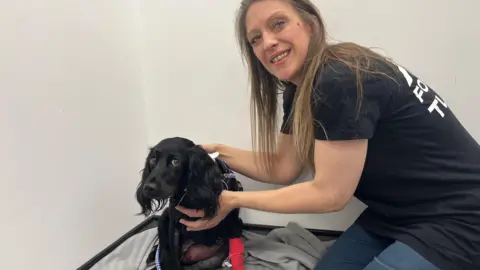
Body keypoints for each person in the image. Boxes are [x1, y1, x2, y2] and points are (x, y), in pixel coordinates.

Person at [175, 0, 480, 269]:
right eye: (255, 39)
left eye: (278, 23)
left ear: (309, 24)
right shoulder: (299, 89)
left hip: (460, 216)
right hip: (397, 214)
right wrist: (215, 150)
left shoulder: (340, 77)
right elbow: (283, 167)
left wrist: (230, 200)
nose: (268, 42)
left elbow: (330, 194)